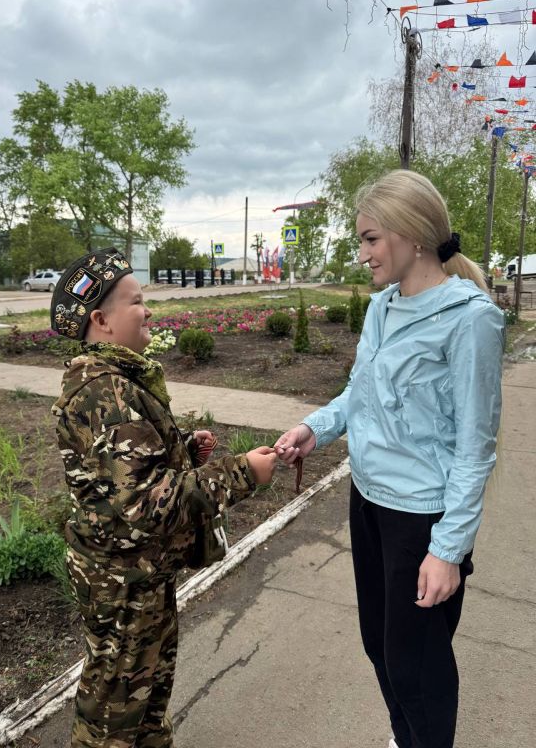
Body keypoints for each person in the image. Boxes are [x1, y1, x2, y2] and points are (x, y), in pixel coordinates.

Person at [275, 170, 504, 748]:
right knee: (379, 646)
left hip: (422, 519)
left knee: (417, 666)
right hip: (368, 501)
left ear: (413, 234)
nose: (363, 254)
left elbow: (476, 447)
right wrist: (315, 428)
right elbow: (360, 391)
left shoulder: (470, 318)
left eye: (371, 238)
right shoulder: (381, 308)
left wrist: (448, 549)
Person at [50, 247, 277, 748]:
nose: (148, 310)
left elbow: (121, 478)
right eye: (136, 302)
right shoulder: (107, 393)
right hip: (123, 581)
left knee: (147, 694)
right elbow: (145, 505)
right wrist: (243, 471)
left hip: (138, 573)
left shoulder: (117, 382)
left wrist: (183, 453)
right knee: (113, 715)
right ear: (101, 321)